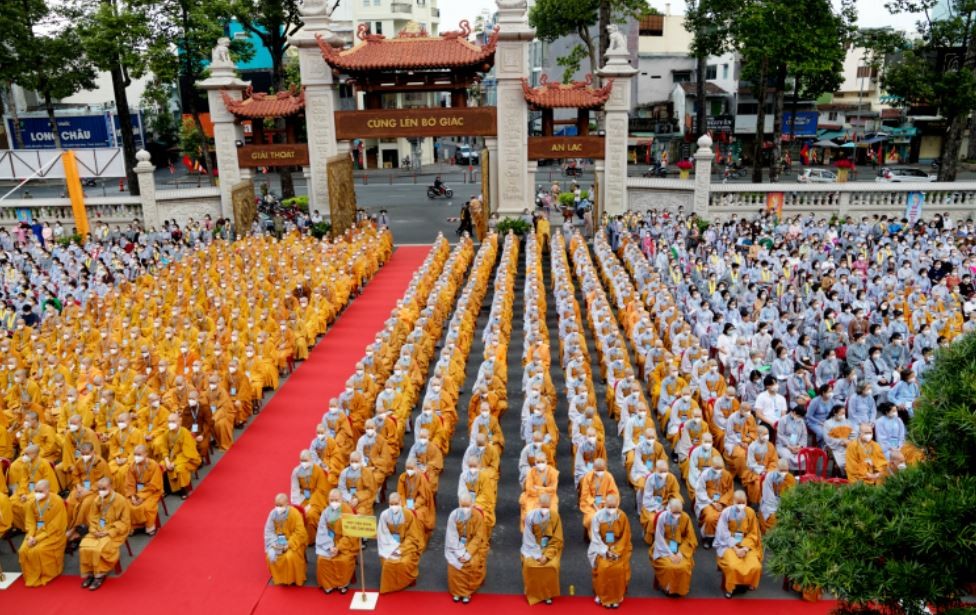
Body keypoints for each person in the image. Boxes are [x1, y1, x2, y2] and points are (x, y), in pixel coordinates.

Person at [79, 477, 132, 590]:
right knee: (83, 546)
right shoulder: (98, 499)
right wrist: (94, 530)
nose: (101, 491)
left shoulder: (121, 500)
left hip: (114, 530)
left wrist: (108, 532)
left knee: (99, 548)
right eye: (99, 488)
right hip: (98, 528)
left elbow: (125, 522)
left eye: (104, 488)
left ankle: (99, 575)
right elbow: (92, 517)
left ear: (111, 487)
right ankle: (90, 573)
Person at [17, 479, 67, 587]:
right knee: (23, 550)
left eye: (40, 491)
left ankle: (46, 574)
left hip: (53, 534)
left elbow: (55, 526)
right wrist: (30, 536)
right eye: (36, 491)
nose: (37, 494)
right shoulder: (32, 502)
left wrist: (37, 539)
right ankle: (31, 575)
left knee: (37, 550)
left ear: (48, 490)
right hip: (35, 533)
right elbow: (30, 522)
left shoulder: (57, 501)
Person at [714, 490, 763, 598]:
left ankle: (748, 582)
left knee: (756, 566)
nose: (741, 505)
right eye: (738, 503)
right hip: (728, 544)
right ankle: (730, 588)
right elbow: (723, 533)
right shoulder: (726, 513)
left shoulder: (750, 512)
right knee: (733, 566)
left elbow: (753, 533)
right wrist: (736, 549)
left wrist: (745, 549)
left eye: (743, 503)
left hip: (747, 544)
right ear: (733, 502)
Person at [587, 493, 632, 608]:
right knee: (603, 567)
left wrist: (616, 551)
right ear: (604, 504)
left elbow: (625, 537)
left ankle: (616, 596)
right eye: (609, 507)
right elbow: (595, 537)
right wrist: (606, 551)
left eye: (613, 507)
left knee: (618, 567)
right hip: (601, 548)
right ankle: (602, 595)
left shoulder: (622, 516)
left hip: (618, 548)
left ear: (617, 504)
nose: (611, 509)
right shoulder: (598, 516)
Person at [445, 492, 490, 603]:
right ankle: (456, 591)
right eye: (462, 506)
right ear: (459, 504)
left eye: (467, 506)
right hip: (456, 546)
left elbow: (479, 537)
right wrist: (459, 553)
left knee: (471, 563)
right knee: (454, 564)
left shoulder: (478, 516)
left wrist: (468, 553)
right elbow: (451, 536)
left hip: (474, 547)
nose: (465, 509)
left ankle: (466, 593)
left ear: (472, 504)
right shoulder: (453, 515)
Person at [649, 497, 697, 597]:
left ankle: (680, 588)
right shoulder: (663, 517)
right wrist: (670, 554)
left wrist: (680, 553)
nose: (676, 515)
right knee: (669, 566)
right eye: (674, 512)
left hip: (681, 547)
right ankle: (667, 587)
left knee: (683, 566)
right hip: (663, 547)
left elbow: (690, 538)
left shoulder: (685, 517)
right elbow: (659, 537)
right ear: (669, 508)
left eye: (678, 512)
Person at [521, 493, 563, 605]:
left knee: (551, 565)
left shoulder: (555, 516)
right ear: (538, 504)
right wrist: (538, 556)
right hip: (533, 548)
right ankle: (532, 590)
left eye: (547, 507)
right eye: (542, 506)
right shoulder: (530, 516)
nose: (545, 509)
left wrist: (547, 555)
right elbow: (528, 538)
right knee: (530, 564)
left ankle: (547, 594)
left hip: (550, 547)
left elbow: (557, 539)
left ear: (550, 505)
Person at [378, 492, 424, 594]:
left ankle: (405, 581)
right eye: (391, 504)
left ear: (400, 502)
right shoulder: (384, 515)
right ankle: (390, 584)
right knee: (387, 561)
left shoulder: (408, 514)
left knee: (405, 561)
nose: (394, 506)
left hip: (406, 546)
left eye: (396, 504)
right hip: (388, 546)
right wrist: (392, 548)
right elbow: (383, 535)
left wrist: (401, 550)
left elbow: (413, 536)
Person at [315, 489, 357, 594]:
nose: (334, 503)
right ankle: (328, 584)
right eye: (331, 500)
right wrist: (330, 546)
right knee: (322, 560)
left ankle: (342, 584)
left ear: (342, 499)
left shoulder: (347, 510)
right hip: (329, 542)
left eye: (336, 500)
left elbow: (351, 534)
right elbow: (322, 531)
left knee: (343, 561)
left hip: (345, 543)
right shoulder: (326, 512)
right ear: (328, 500)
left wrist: (338, 547)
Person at [264, 493, 307, 586]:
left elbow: (300, 532)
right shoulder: (273, 514)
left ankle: (292, 579)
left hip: (294, 542)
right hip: (278, 542)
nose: (278, 508)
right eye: (277, 505)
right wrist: (275, 544)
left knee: (289, 557)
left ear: (287, 504)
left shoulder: (295, 513)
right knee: (271, 556)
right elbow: (269, 531)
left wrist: (289, 544)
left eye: (281, 505)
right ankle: (280, 579)